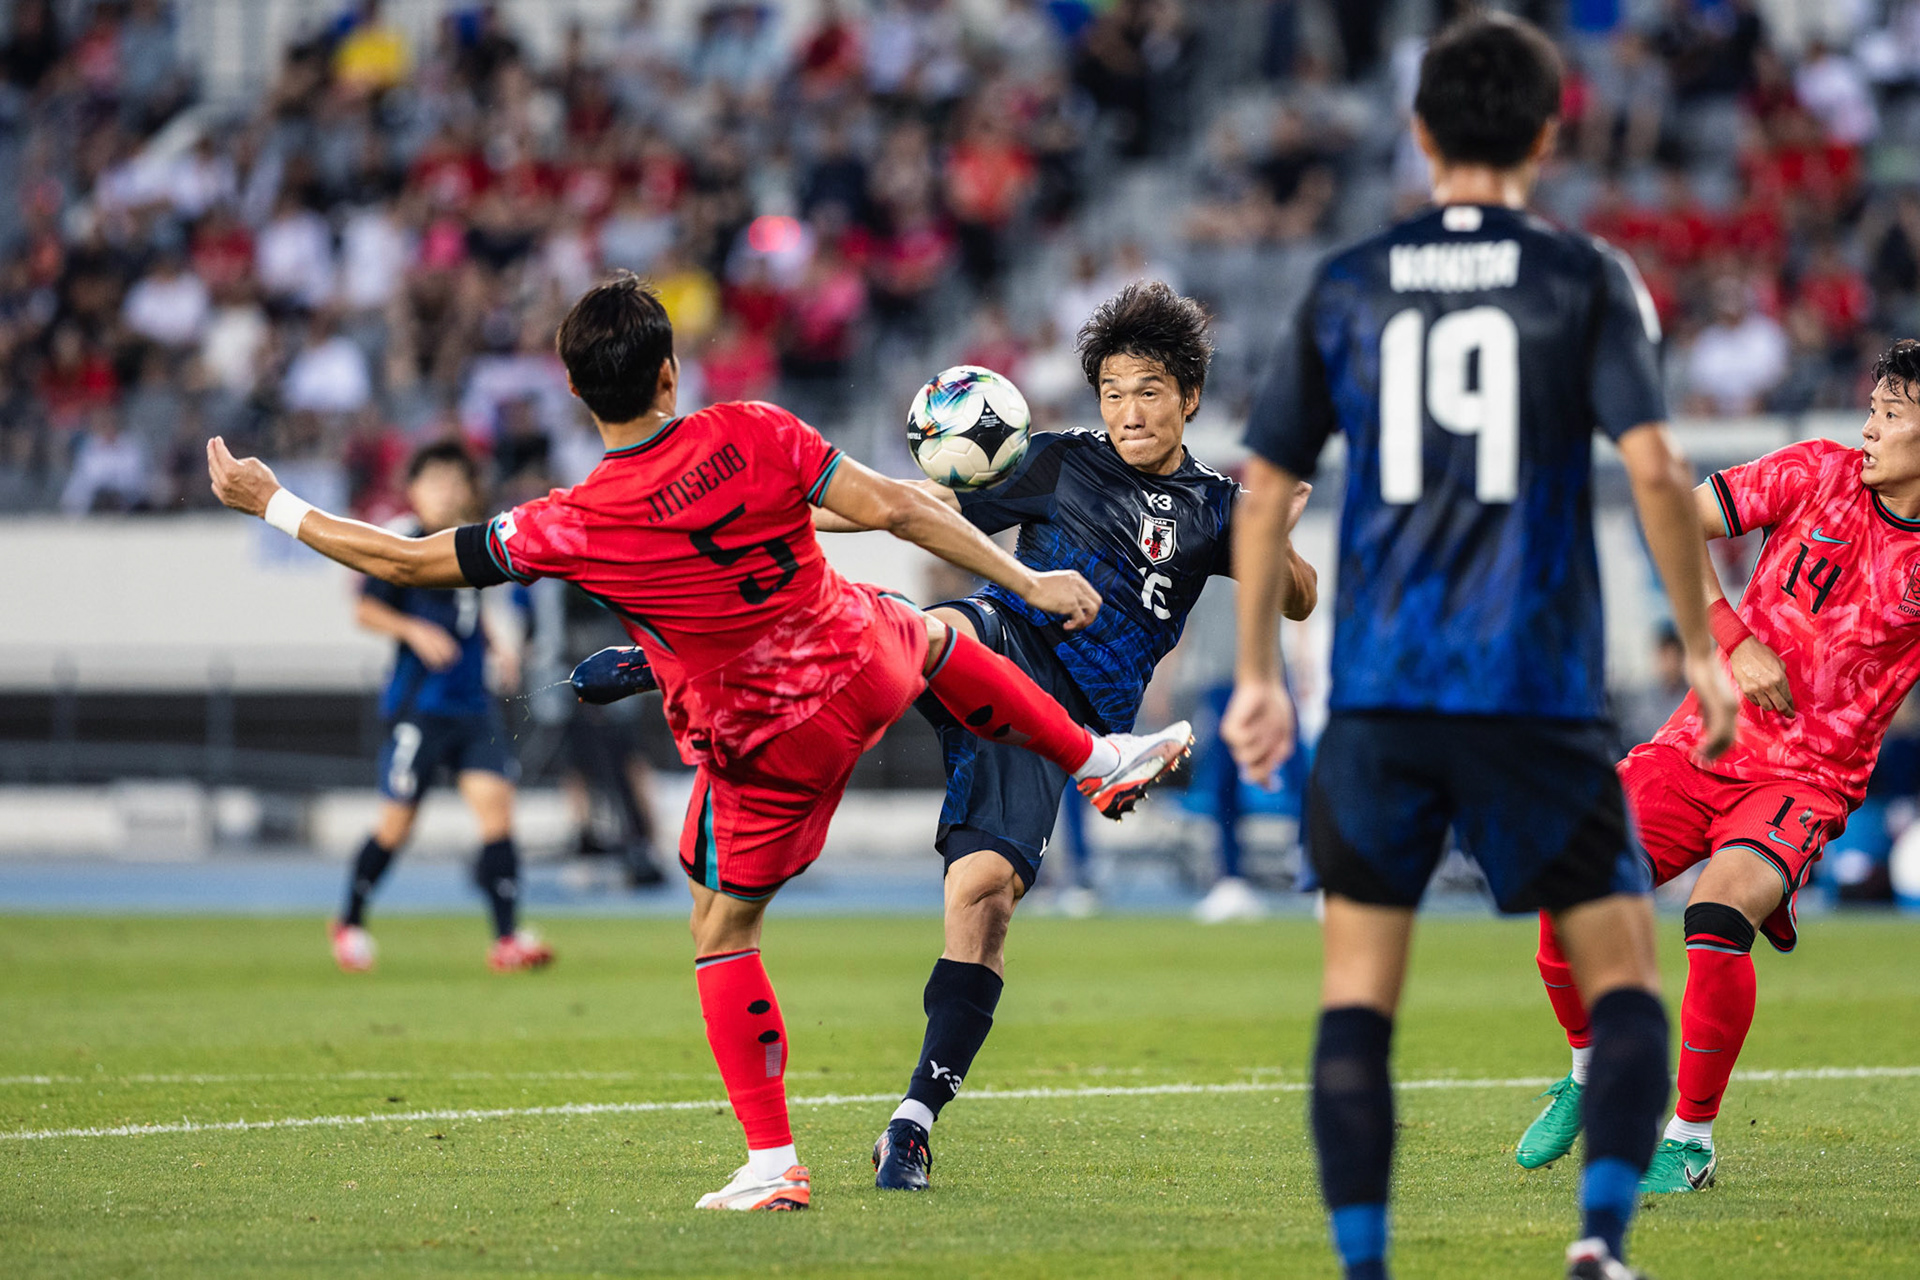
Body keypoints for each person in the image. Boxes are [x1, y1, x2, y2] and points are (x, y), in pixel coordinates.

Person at [206, 273, 1192, 1213]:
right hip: (861, 656)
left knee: (720, 929)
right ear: (670, 372)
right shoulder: (755, 428)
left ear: (579, 392)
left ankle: (772, 1160)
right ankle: (1096, 756)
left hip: (771, 734)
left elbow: (406, 558)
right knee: (930, 630)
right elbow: (899, 504)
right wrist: (1028, 584)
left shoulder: (572, 520)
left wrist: (273, 501)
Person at [1221, 16, 1739, 1280]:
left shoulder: (1349, 278)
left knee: (1358, 999)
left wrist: (1252, 672)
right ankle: (1600, 1241)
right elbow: (1660, 469)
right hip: (1536, 691)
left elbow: (1261, 481)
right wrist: (1711, 647)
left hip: (1386, 692)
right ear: (1551, 133)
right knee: (1624, 976)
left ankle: (1364, 1266)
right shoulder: (1585, 276)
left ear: (1418, 132)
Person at [806, 282, 1317, 1192]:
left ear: (1189, 396)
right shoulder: (1057, 463)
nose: (1130, 412)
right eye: (1114, 392)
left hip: (1063, 728)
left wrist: (1274, 531)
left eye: (1150, 390)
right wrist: (790, 506)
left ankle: (913, 1122)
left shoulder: (1215, 506)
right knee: (936, 635)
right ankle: (715, 658)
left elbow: (1299, 596)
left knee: (984, 897)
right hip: (1003, 640)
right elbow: (917, 500)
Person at [1518, 339, 1920, 1194]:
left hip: (1805, 780)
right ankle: (1590, 1076)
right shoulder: (1818, 471)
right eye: (1874, 407)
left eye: (1892, 414)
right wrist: (1731, 637)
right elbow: (1669, 510)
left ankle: (1690, 1138)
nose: (1869, 426)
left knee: (1717, 907)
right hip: (1703, 740)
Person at [330, 441, 548, 975]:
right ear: (414, 490)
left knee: (498, 812)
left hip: (473, 709)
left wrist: (497, 645)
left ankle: (507, 939)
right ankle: (350, 922)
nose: (448, 491)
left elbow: (471, 609)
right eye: (436, 481)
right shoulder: (403, 543)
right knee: (396, 827)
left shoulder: (469, 543)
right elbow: (364, 610)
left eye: (456, 481)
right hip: (420, 708)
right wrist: (413, 629)